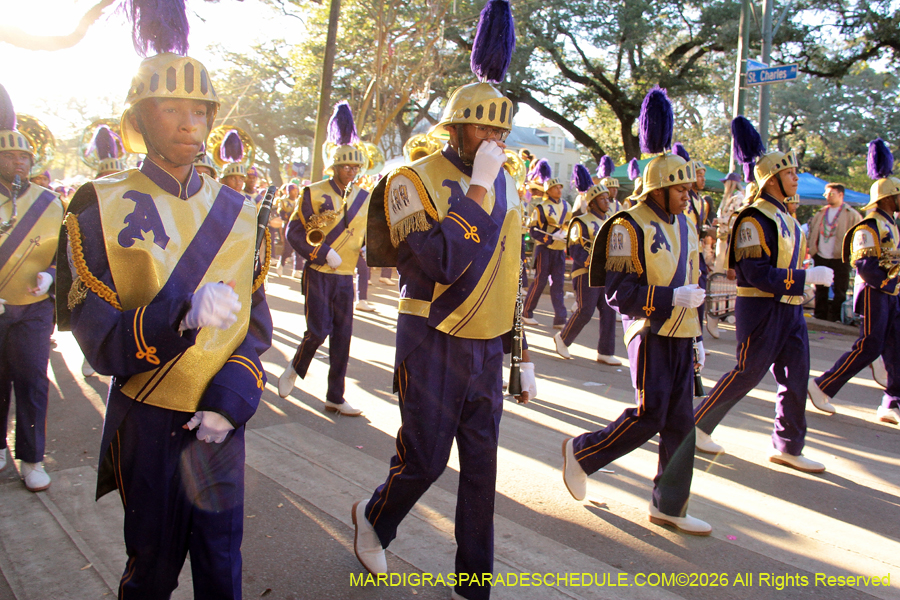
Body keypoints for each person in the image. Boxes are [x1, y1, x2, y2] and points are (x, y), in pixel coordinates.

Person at [55, 44, 273, 598]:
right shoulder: (96, 206)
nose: (189, 123)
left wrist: (230, 401)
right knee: (150, 571)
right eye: (171, 109)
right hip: (147, 419)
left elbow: (256, 327)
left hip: (220, 424)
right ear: (137, 120)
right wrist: (179, 315)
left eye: (200, 111)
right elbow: (101, 342)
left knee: (223, 567)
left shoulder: (241, 212)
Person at [355, 2, 536, 596]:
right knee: (426, 459)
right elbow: (433, 264)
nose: (493, 141)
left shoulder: (506, 181)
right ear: (455, 127)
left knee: (482, 471)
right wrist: (480, 188)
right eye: (483, 129)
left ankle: (473, 583)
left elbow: (507, 267)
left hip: (487, 345)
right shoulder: (412, 179)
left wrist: (522, 349)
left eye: (500, 133)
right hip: (433, 337)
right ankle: (375, 517)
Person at [562, 86, 710, 535]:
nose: (688, 194)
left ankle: (670, 505)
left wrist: (699, 334)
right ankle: (582, 452)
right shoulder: (626, 225)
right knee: (650, 415)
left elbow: (696, 278)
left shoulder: (687, 221)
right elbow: (620, 294)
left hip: (683, 332)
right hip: (648, 330)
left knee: (682, 421)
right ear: (659, 187)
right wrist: (669, 299)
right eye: (680, 187)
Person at [692, 116, 833, 473]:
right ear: (771, 178)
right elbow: (755, 273)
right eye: (790, 174)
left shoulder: (785, 216)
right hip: (761, 306)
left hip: (790, 308)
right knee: (749, 372)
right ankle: (698, 423)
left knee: (797, 376)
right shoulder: (753, 218)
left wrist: (803, 275)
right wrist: (803, 278)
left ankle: (788, 445)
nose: (796, 178)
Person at [276, 102, 370, 416]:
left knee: (343, 338)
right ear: (334, 167)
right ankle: (295, 366)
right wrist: (319, 252)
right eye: (347, 167)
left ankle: (335, 395)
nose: (352, 172)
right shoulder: (312, 192)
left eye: (356, 168)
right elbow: (293, 232)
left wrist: (370, 248)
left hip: (346, 276)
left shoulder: (364, 198)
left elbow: (369, 231)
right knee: (318, 331)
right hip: (319, 272)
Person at [808, 139, 900, 424]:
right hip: (875, 292)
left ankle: (892, 401)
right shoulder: (869, 225)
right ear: (887, 198)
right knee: (870, 345)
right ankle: (823, 385)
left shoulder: (892, 224)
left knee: (897, 344)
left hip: (892, 293)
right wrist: (889, 284)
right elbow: (864, 265)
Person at [0, 84, 64, 492]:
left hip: (36, 306)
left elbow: (68, 253)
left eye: (24, 155)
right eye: (11, 155)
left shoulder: (50, 201)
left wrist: (53, 274)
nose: (20, 161)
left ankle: (32, 457)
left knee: (32, 381)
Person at [554, 165, 621, 365]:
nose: (607, 201)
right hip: (586, 273)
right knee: (586, 309)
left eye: (607, 198)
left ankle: (605, 352)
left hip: (606, 274)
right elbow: (574, 249)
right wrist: (592, 259)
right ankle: (562, 338)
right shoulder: (579, 222)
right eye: (602, 199)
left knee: (609, 311)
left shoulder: (611, 221)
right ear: (592, 202)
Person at [522, 158, 570, 327]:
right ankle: (527, 312)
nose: (559, 190)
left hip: (560, 250)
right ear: (548, 190)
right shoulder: (540, 208)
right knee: (540, 281)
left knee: (558, 283)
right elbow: (533, 230)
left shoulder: (567, 206)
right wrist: (549, 239)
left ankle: (560, 318)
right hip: (545, 249)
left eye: (560, 187)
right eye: (556, 187)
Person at [807, 182, 861, 322]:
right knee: (820, 287)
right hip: (821, 255)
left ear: (841, 195)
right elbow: (812, 232)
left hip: (840, 256)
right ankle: (820, 315)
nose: (827, 197)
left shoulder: (851, 214)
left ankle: (837, 317)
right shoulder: (821, 213)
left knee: (840, 288)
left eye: (831, 194)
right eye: (826, 194)